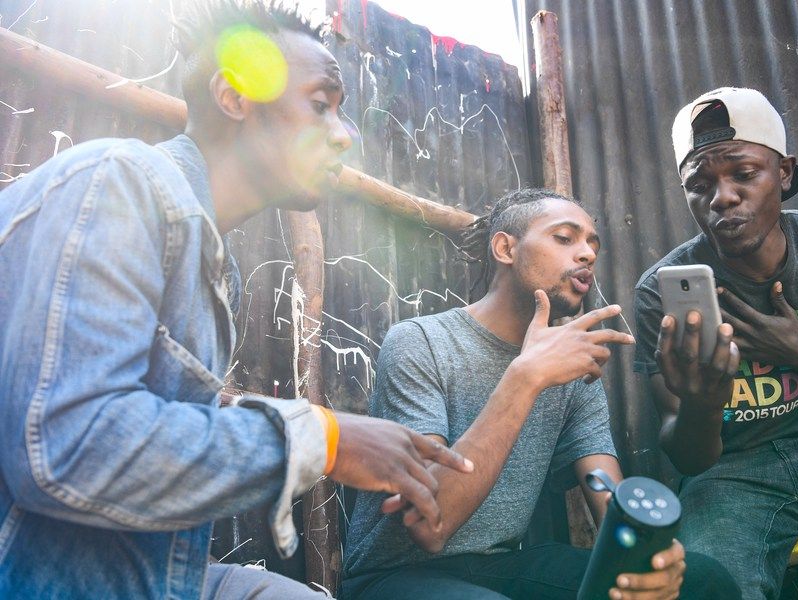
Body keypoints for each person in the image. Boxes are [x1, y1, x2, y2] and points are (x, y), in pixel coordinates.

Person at [0, 2, 474, 598]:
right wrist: (323, 439)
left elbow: (151, 424)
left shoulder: (216, 266)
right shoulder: (119, 182)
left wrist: (329, 433)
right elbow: (68, 447)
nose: (345, 134)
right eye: (320, 104)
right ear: (234, 98)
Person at [342, 188, 739, 599]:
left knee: (703, 581)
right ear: (505, 248)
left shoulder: (573, 367)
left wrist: (647, 555)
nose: (587, 254)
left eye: (593, 244)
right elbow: (430, 525)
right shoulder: (420, 342)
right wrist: (525, 376)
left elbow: (607, 496)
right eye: (564, 238)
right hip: (394, 576)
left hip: (502, 567)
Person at [633, 87, 798, 599]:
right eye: (699, 184)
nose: (722, 197)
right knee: (709, 587)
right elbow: (689, 459)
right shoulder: (659, 291)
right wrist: (702, 403)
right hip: (730, 481)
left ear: (784, 173)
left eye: (744, 173)